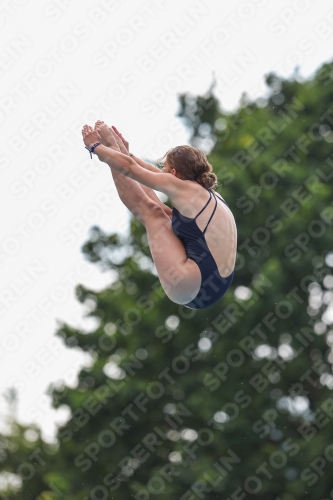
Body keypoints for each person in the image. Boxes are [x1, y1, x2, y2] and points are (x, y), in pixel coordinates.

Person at [82, 121, 237, 309]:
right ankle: (113, 149)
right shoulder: (206, 193)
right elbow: (146, 171)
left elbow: (130, 169)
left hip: (194, 284)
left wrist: (96, 147)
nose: (162, 173)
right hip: (216, 283)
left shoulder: (184, 188)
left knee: (152, 213)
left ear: (174, 172)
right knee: (165, 214)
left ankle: (110, 149)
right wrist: (123, 151)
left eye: (165, 170)